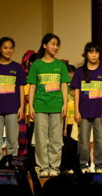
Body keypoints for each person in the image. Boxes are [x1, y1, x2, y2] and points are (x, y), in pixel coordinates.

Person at [26, 33, 70, 177]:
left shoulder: (60, 65)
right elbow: (32, 86)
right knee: (41, 138)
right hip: (40, 106)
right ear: (45, 45)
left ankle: (55, 167)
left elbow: (64, 86)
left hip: (57, 105)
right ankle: (43, 167)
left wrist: (65, 104)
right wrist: (31, 106)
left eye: (57, 45)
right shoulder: (36, 65)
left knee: (56, 139)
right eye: (52, 44)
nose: (55, 47)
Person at [71, 41, 102, 173]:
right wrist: (76, 111)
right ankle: (83, 166)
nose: (94, 55)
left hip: (99, 112)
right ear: (86, 54)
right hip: (83, 113)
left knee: (100, 140)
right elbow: (76, 92)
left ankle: (99, 166)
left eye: (96, 52)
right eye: (91, 52)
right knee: (83, 141)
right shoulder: (79, 72)